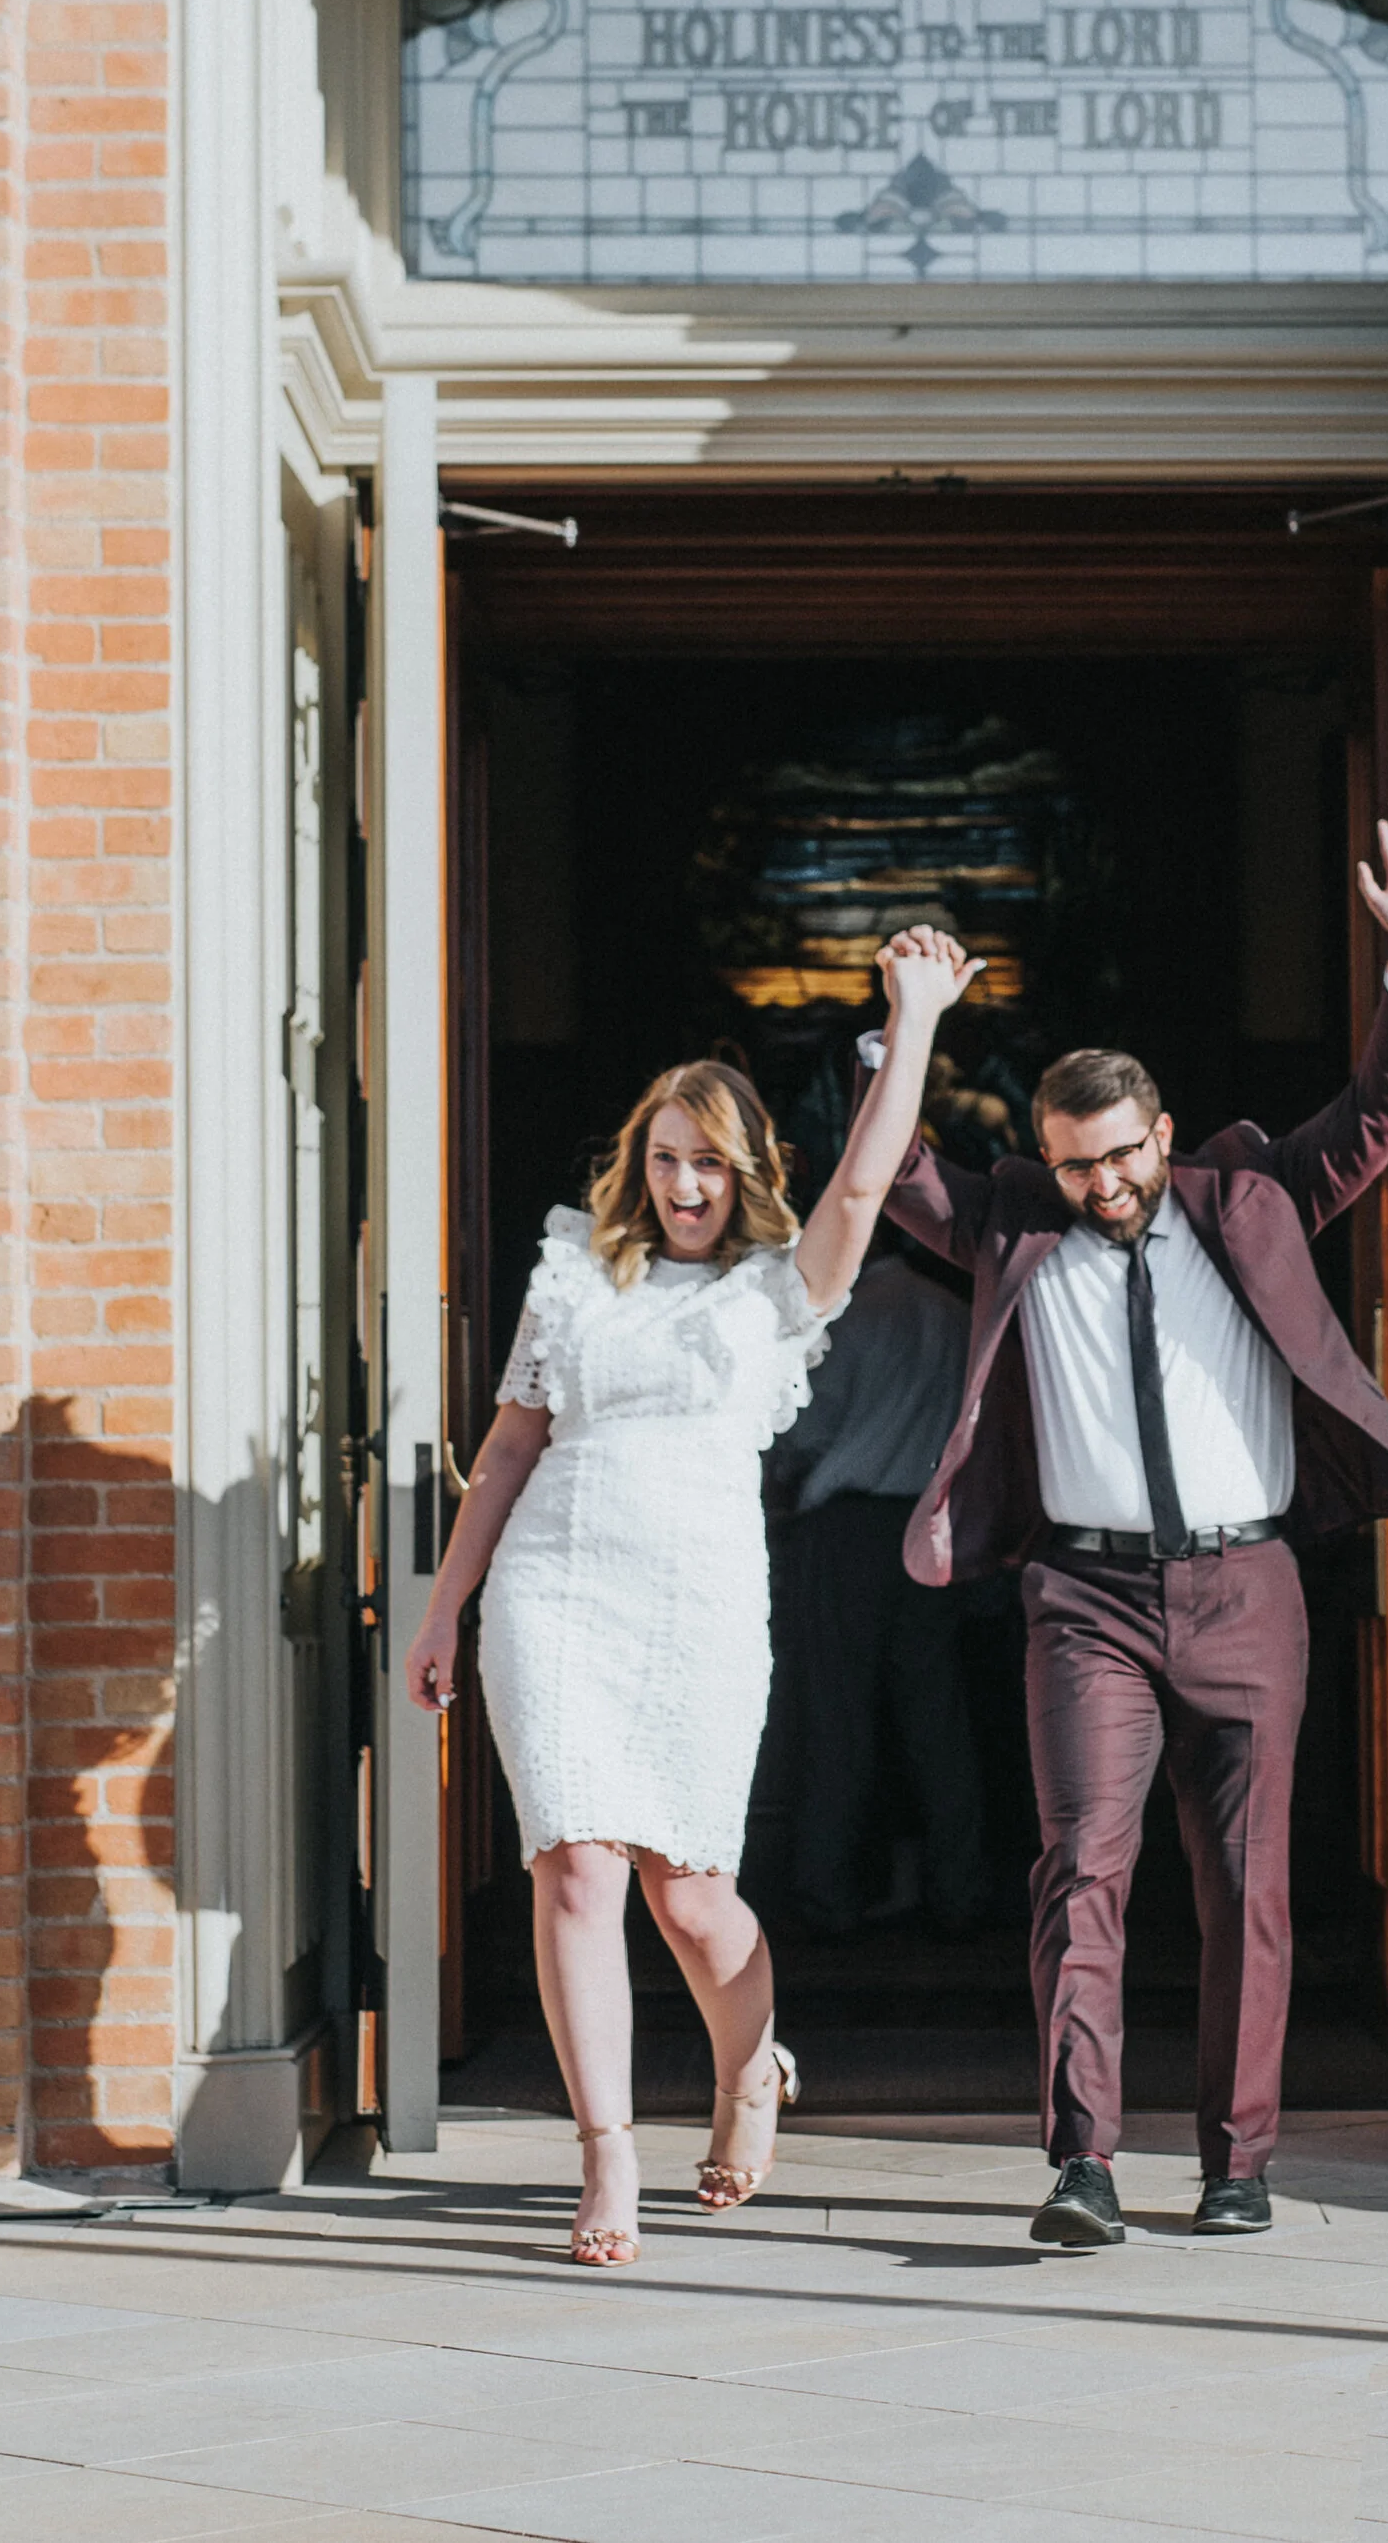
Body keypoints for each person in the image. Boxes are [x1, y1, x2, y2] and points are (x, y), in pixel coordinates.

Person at [865, 824, 1388, 2248]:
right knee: (1082, 1867)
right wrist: (909, 1024)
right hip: (1085, 1594)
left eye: (1120, 1157)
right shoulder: (1010, 1224)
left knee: (1250, 1884)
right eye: (1076, 1165)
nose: (1102, 1185)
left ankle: (1240, 2162)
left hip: (1248, 1583)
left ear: (1163, 1134)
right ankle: (1082, 2163)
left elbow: (1375, 1116)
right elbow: (891, 1173)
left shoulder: (1247, 1200)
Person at [403, 943, 980, 2270]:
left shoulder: (779, 1296)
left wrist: (916, 1018)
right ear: (636, 1164)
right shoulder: (573, 1280)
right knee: (574, 1873)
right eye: (664, 1158)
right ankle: (606, 2155)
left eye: (708, 1161)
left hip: (701, 1600)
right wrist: (447, 1609)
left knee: (692, 1896)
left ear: (745, 1170)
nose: (684, 1184)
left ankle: (746, 2069)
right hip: (555, 1588)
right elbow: (505, 1453)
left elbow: (864, 1178)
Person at [767, 1245, 988, 1942]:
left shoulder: (849, 1316)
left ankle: (823, 1891)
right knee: (938, 1715)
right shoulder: (959, 1315)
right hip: (933, 1523)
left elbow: (807, 1429)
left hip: (849, 1526)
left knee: (837, 1712)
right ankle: (962, 1889)